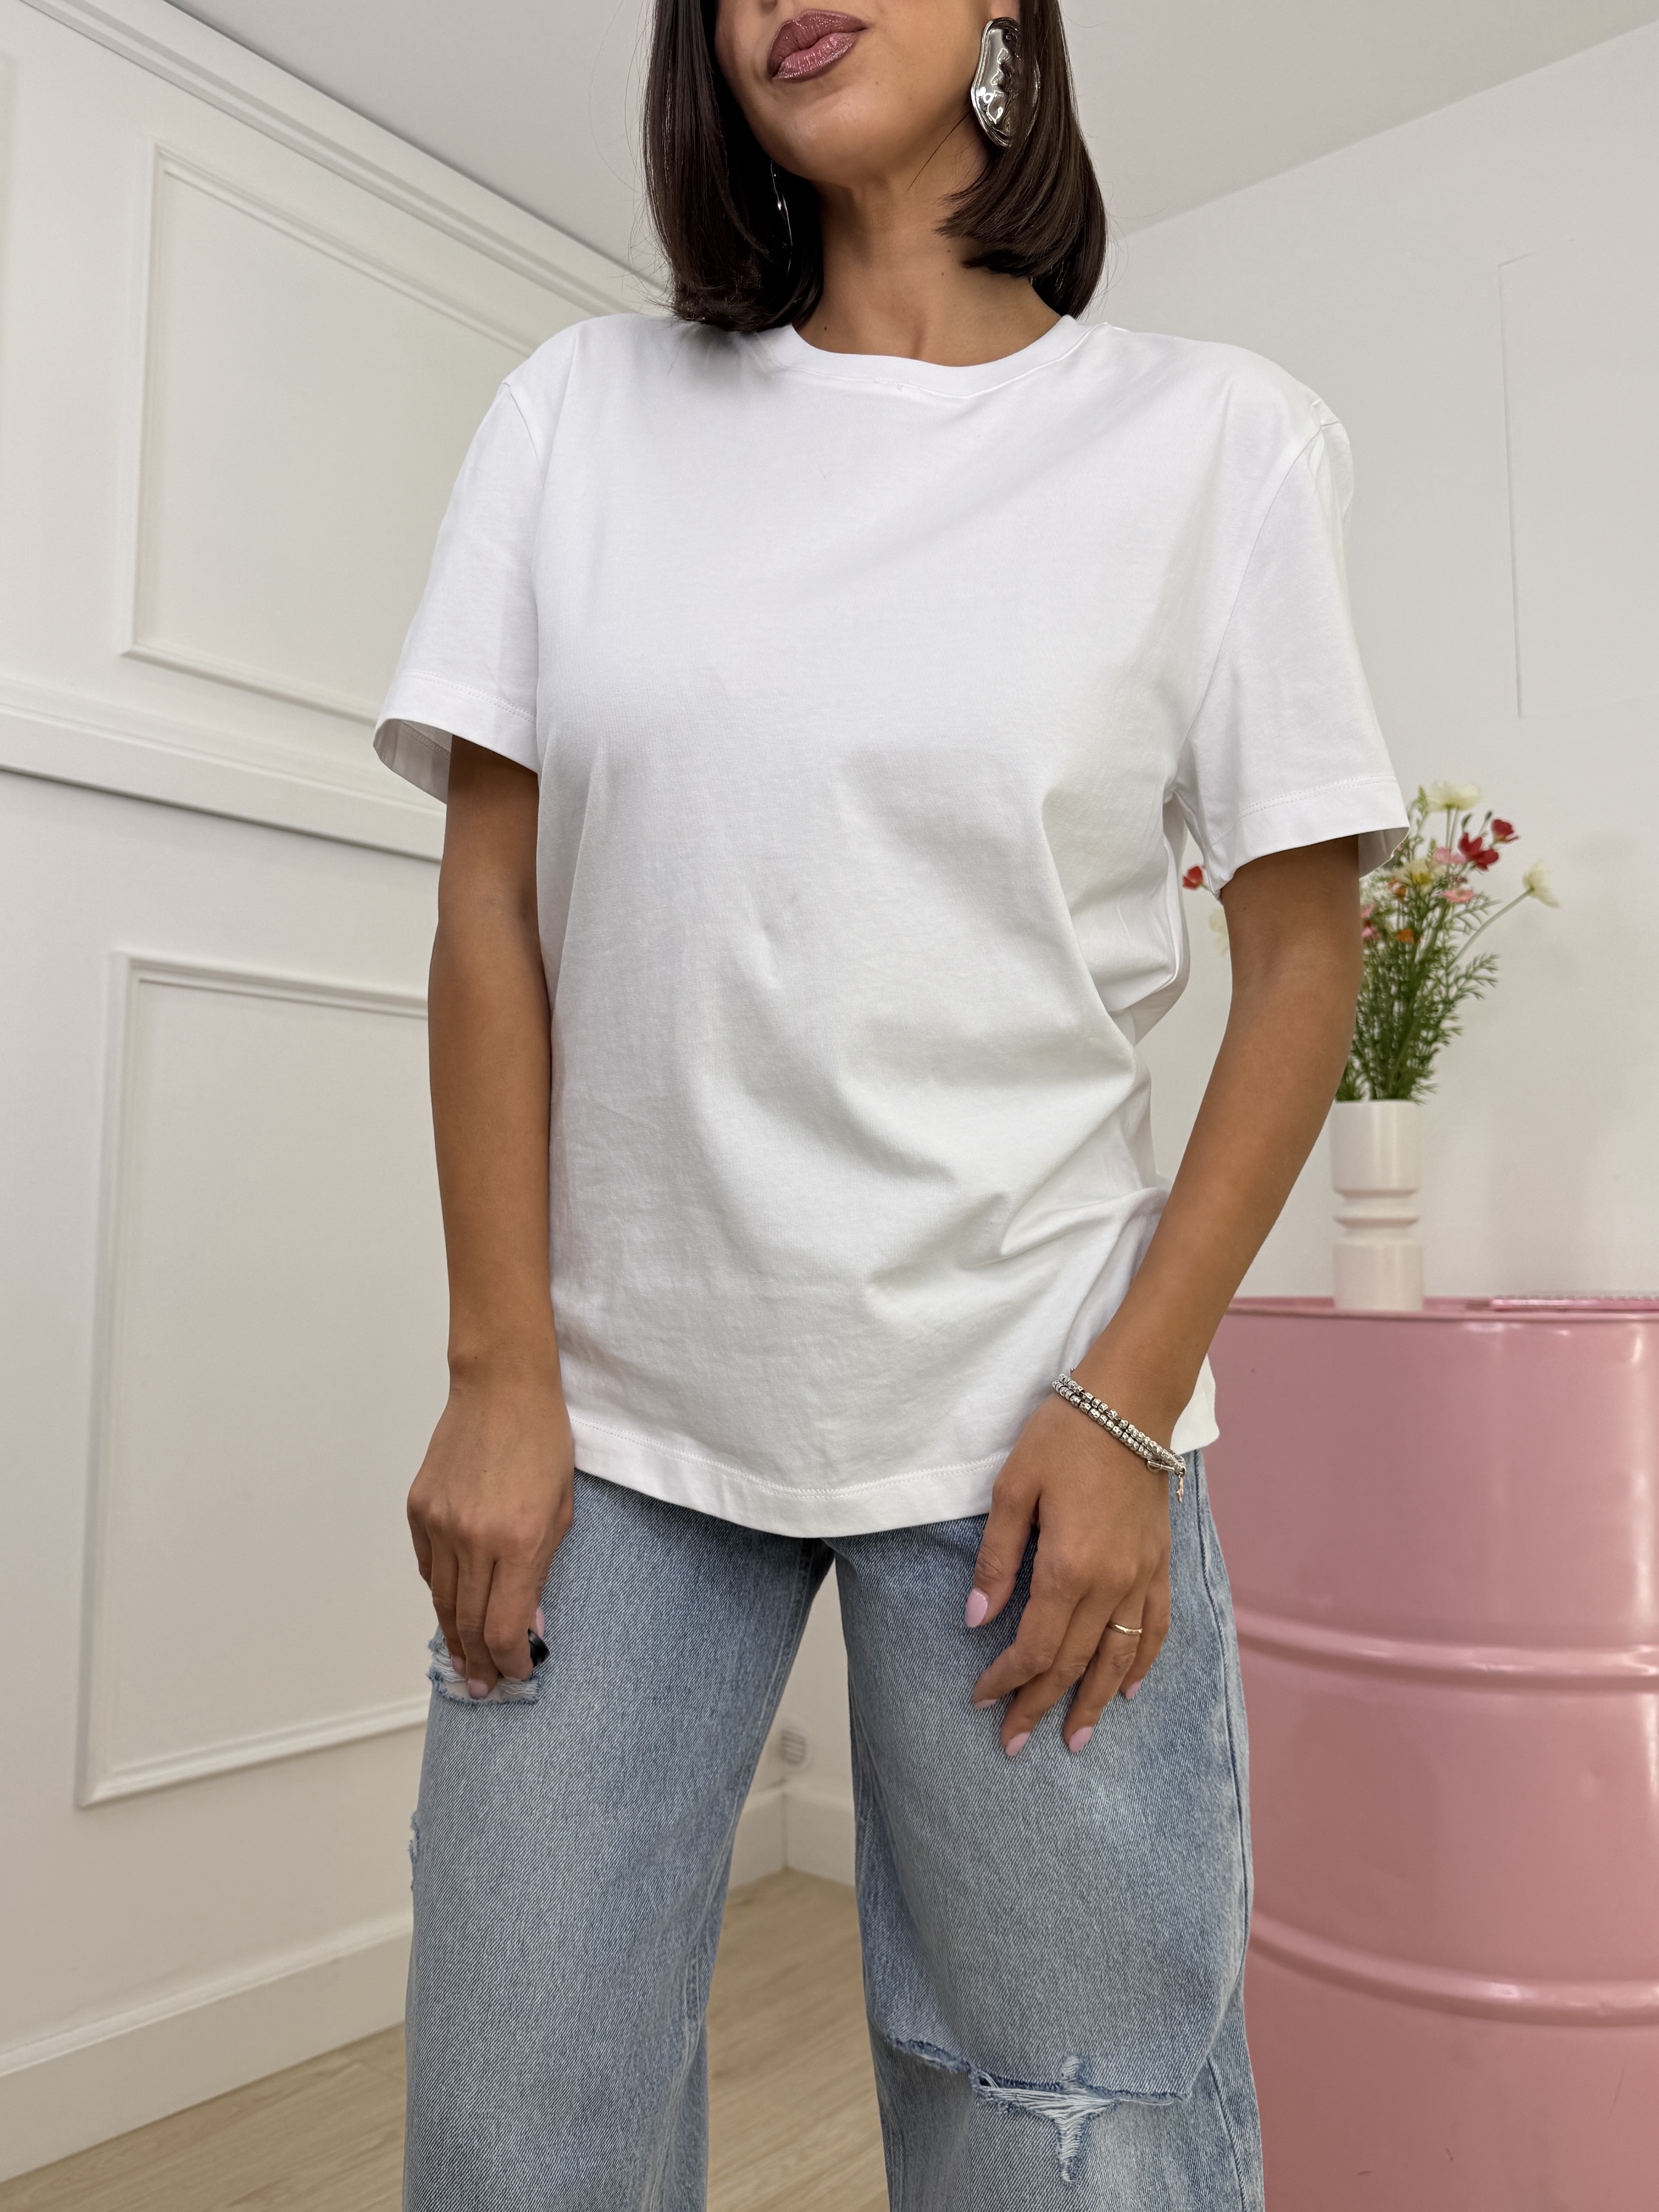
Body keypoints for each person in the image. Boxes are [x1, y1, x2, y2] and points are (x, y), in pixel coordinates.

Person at [373, 4, 1406, 2205]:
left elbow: (1303, 963)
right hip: (613, 1423)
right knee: (513, 2139)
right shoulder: (580, 414)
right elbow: (490, 913)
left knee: (1075, 2142)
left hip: (1034, 1420)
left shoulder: (1216, 444)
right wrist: (496, 1371)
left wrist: (1128, 1406)